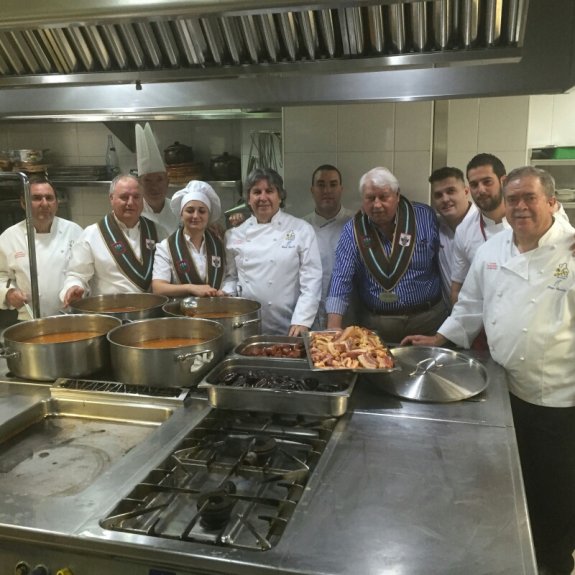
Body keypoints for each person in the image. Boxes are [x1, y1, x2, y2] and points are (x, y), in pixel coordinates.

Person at [403, 166, 575, 575]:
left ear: (551, 202)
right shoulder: (492, 251)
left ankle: (553, 561)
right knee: (510, 485)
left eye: (529, 198)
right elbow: (470, 307)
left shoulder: (570, 248)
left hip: (558, 398)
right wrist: (439, 339)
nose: (519, 207)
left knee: (556, 488)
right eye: (513, 199)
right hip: (501, 390)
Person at [326, 166, 446, 342]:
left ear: (397, 195)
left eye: (383, 197)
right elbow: (340, 277)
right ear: (362, 200)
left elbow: (446, 260)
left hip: (427, 321)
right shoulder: (353, 230)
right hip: (376, 325)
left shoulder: (425, 217)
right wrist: (333, 326)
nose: (377, 205)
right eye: (370, 198)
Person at [221, 168, 322, 336]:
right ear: (248, 198)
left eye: (269, 191)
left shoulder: (301, 230)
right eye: (256, 192)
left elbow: (312, 280)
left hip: (290, 326)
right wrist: (225, 294)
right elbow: (232, 277)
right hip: (245, 327)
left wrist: (302, 320)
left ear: (280, 196)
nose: (263, 198)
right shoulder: (234, 235)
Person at [60, 174, 159, 306]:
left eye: (136, 197)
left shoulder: (157, 231)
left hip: (149, 312)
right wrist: (72, 288)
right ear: (111, 198)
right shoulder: (91, 235)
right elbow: (77, 274)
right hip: (109, 313)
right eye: (124, 197)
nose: (130, 202)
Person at [0, 175, 82, 320]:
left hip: (71, 317)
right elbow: (2, 276)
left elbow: (83, 273)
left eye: (49, 198)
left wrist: (76, 288)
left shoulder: (75, 232)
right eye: (37, 198)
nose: (44, 204)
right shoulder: (9, 237)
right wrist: (8, 293)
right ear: (23, 203)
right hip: (30, 319)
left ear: (56, 203)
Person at [449, 153, 509, 305]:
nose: (480, 190)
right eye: (474, 184)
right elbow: (458, 288)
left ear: (504, 181)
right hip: (484, 318)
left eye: (487, 182)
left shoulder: (526, 220)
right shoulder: (464, 230)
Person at [152, 180, 226, 298]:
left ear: (208, 215)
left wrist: (225, 291)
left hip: (216, 311)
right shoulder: (166, 247)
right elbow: (158, 288)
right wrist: (191, 287)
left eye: (202, 211)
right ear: (181, 214)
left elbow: (230, 277)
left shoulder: (220, 244)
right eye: (190, 211)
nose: (195, 216)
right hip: (182, 313)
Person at [303, 164, 355, 329]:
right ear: (312, 190)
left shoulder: (356, 223)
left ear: (341, 189)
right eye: (321, 185)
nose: (327, 190)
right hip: (311, 313)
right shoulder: (301, 227)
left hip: (351, 311)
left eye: (333, 185)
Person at [429, 166, 477, 306]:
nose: (445, 199)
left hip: (485, 319)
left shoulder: (485, 225)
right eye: (438, 195)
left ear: (466, 191)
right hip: (450, 316)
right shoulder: (435, 227)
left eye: (451, 191)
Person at [135, 122, 179, 236]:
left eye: (159, 179)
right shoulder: (132, 212)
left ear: (167, 182)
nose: (154, 187)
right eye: (147, 180)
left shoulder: (179, 211)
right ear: (139, 184)